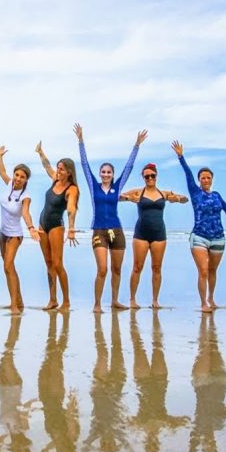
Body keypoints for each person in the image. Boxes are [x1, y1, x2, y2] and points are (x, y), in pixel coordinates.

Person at [74, 123, 148, 312]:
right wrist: (81, 140)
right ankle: (97, 304)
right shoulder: (93, 186)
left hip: (117, 231)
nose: (106, 174)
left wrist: (136, 145)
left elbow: (129, 167)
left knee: (116, 270)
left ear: (113, 175)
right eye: (103, 172)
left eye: (109, 172)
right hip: (99, 230)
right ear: (100, 174)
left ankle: (115, 301)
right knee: (102, 269)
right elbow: (84, 164)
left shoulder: (117, 187)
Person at [172, 140, 226, 312]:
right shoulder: (195, 191)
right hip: (199, 236)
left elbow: (225, 206)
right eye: (203, 177)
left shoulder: (216, 195)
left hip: (218, 237)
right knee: (204, 270)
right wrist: (181, 157)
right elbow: (188, 174)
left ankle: (211, 298)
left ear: (212, 180)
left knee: (213, 270)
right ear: (199, 180)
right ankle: (203, 303)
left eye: (208, 177)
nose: (205, 179)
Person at [120, 163, 188, 309]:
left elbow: (185, 199)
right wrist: (127, 198)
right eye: (147, 176)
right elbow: (118, 197)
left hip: (159, 234)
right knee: (137, 267)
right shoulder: (138, 192)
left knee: (156, 268)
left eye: (152, 175)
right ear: (143, 178)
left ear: (156, 176)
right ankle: (132, 299)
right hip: (141, 234)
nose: (150, 178)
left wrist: (178, 198)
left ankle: (155, 301)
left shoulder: (163, 193)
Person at [0, 145, 41, 314]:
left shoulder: (26, 196)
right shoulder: (9, 184)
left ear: (26, 179)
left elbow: (25, 213)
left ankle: (14, 305)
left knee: (8, 266)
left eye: (22, 177)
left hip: (15, 235)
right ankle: (18, 301)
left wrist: (31, 228)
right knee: (9, 268)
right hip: (3, 233)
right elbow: (1, 172)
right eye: (17, 175)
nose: (18, 178)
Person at [35, 141, 80, 311]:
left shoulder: (72, 189)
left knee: (58, 264)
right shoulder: (55, 179)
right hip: (42, 224)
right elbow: (47, 167)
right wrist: (41, 152)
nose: (58, 171)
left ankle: (66, 301)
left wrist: (72, 228)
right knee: (48, 263)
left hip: (55, 226)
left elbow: (71, 207)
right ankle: (53, 300)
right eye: (58, 168)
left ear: (69, 172)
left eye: (61, 169)